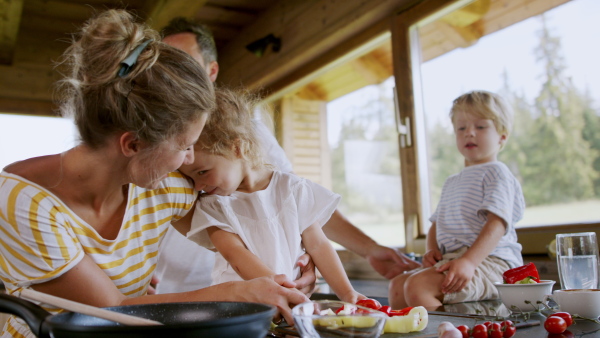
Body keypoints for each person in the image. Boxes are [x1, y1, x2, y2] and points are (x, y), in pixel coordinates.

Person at [0, 10, 307, 338]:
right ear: (133, 144)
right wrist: (238, 292)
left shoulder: (160, 185)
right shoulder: (21, 202)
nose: (189, 160)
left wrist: (293, 263)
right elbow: (113, 308)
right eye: (185, 145)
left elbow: (227, 236)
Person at [154, 17, 420, 294]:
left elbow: (300, 209)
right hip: (174, 290)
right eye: (166, 67)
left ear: (211, 71)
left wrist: (368, 249)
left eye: (185, 64)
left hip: (269, 293)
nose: (176, 77)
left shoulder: (246, 132)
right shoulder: (154, 137)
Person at [181, 88, 366, 305]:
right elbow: (234, 253)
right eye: (193, 179)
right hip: (237, 308)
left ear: (237, 148)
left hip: (289, 300)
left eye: (202, 172)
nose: (199, 185)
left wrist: (347, 294)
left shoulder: (292, 188)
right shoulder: (214, 205)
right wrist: (279, 289)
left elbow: (318, 245)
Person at [388, 90, 525, 309]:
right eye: (461, 128)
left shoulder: (497, 173)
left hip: (493, 262)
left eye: (480, 127)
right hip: (454, 259)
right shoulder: (452, 181)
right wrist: (431, 250)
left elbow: (497, 224)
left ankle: (447, 332)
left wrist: (470, 261)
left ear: (502, 136)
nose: (469, 133)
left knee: (418, 287)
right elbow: (437, 223)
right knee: (397, 286)